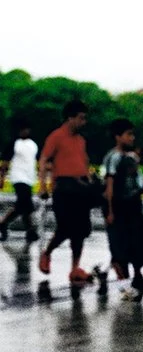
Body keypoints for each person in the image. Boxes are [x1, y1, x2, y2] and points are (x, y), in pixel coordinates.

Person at [37, 99, 95, 291]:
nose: (83, 122)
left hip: (80, 187)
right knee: (66, 228)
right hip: (64, 186)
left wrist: (89, 180)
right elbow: (44, 159)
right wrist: (43, 186)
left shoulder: (81, 140)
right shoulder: (56, 136)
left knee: (80, 231)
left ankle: (75, 267)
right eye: (81, 118)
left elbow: (84, 163)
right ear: (70, 118)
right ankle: (47, 252)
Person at [102, 119, 143, 301]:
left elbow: (135, 186)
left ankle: (135, 277)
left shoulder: (131, 159)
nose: (132, 138)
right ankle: (124, 285)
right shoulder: (113, 158)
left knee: (135, 245)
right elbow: (109, 185)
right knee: (119, 247)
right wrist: (110, 210)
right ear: (118, 137)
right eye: (128, 134)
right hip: (119, 206)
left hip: (133, 206)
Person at [0, 122, 39, 244]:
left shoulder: (33, 145)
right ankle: (30, 229)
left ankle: (6, 224)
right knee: (25, 202)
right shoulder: (14, 144)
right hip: (18, 177)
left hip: (29, 178)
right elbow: (5, 163)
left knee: (23, 205)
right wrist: (2, 177)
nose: (25, 132)